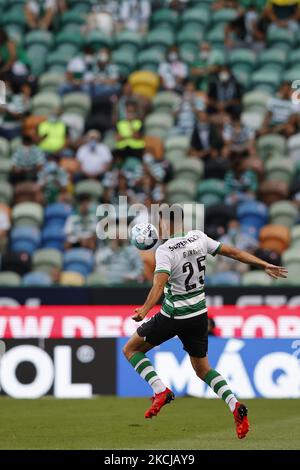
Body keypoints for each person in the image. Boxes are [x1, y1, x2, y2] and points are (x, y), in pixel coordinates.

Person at [122, 206, 288, 437]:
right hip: (199, 315)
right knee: (203, 369)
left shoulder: (165, 250)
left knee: (130, 349)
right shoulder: (198, 237)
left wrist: (144, 310)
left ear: (163, 225)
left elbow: (158, 285)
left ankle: (160, 390)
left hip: (175, 315)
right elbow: (235, 253)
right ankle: (234, 405)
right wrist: (263, 264)